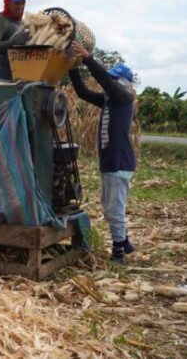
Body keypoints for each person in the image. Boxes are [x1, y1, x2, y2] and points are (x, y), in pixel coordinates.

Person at [70, 42, 136, 264]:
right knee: (109, 208)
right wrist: (71, 66)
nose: (111, 84)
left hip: (119, 163)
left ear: (123, 83)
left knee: (114, 209)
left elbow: (105, 82)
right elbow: (82, 92)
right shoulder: (110, 101)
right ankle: (124, 242)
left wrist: (88, 58)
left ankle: (118, 252)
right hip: (111, 163)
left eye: (114, 80)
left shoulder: (124, 98)